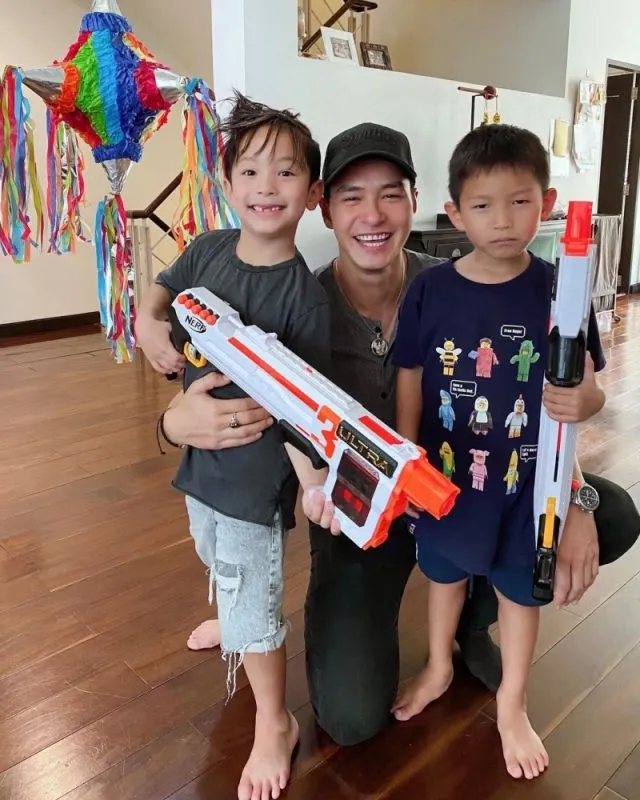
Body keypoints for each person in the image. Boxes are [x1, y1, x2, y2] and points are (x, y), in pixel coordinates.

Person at [157, 122, 640, 753]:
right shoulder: (295, 302)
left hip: (475, 485)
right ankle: (436, 627)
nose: (373, 215)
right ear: (324, 206)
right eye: (352, 196)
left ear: (417, 202)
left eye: (391, 193)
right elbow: (227, 377)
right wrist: (172, 423)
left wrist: (571, 497)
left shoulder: (461, 283)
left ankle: (473, 620)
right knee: (351, 717)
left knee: (614, 514)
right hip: (365, 518)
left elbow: (553, 391)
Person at [390, 123, 605, 781]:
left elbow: (589, 388)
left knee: (520, 593)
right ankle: (439, 665)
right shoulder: (430, 289)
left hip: (527, 483)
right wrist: (407, 459)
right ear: (454, 213)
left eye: (520, 201)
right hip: (446, 477)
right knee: (443, 575)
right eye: (483, 205)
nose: (504, 220)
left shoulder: (562, 289)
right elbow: (410, 376)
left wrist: (584, 403)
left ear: (548, 202)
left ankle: (513, 701)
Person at [136, 93, 332, 800]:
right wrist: (148, 323)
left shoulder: (305, 300)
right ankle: (231, 616)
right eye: (249, 171)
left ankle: (273, 720)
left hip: (253, 482)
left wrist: (313, 483)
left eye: (285, 172)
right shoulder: (208, 250)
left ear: (312, 193)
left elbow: (305, 415)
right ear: (226, 182)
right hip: (200, 464)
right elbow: (159, 292)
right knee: (210, 552)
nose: (265, 186)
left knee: (255, 596)